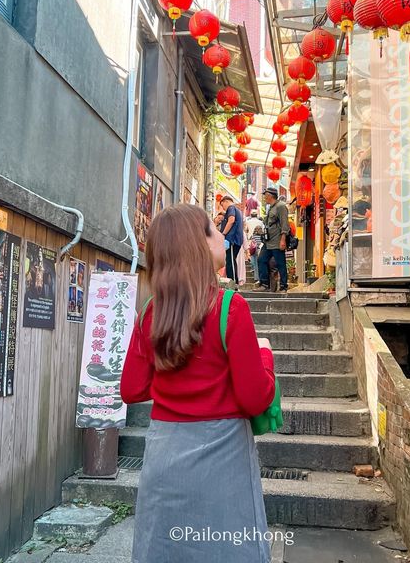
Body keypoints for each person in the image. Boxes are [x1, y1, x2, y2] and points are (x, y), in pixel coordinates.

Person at [120, 204, 276, 563]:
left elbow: (131, 389)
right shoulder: (229, 308)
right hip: (222, 460)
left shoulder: (150, 313)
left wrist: (172, 377)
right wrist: (264, 358)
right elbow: (255, 399)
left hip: (165, 455)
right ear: (198, 246)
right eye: (214, 230)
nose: (222, 234)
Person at [256, 187, 290, 293]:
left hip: (277, 240)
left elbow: (285, 223)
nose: (264, 197)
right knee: (261, 259)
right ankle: (264, 284)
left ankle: (284, 286)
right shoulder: (270, 207)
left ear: (270, 195)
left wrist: (283, 239)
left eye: (265, 195)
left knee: (280, 263)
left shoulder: (281, 206)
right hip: (268, 242)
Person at [219, 196, 244, 286]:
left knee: (230, 261)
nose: (223, 208)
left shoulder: (231, 208)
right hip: (235, 239)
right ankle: (233, 282)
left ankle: (233, 282)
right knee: (230, 260)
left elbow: (231, 220)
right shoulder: (238, 211)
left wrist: (224, 234)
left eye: (222, 205)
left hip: (232, 239)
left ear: (226, 201)